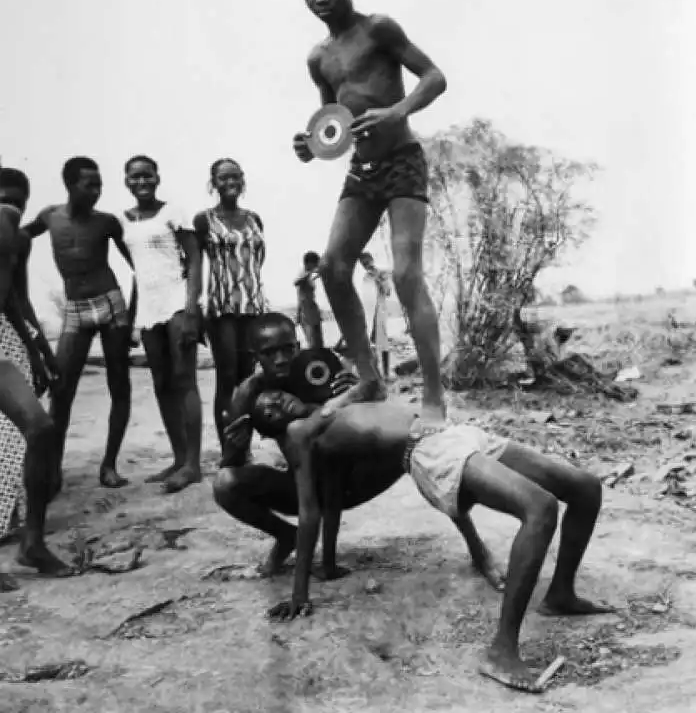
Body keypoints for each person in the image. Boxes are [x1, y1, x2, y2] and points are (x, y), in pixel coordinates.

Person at [267, 399, 613, 694]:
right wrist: (301, 592)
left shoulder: (327, 405)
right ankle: (502, 651)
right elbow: (311, 512)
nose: (274, 403)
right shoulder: (300, 434)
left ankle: (561, 595)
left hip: (457, 433)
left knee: (585, 487)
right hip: (429, 450)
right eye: (265, 410)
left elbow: (331, 500)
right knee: (540, 508)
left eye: (273, 394)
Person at [292, 0, 447, 426]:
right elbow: (330, 124)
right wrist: (310, 145)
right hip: (362, 170)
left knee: (405, 274)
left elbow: (435, 77)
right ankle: (368, 379)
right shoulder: (319, 58)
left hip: (402, 160)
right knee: (334, 270)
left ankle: (434, 396)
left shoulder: (378, 29)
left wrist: (397, 110)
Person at [213, 311, 403, 577]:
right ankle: (286, 537)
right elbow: (231, 463)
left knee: (332, 456)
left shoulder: (319, 368)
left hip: (352, 481)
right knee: (224, 484)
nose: (280, 360)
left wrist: (359, 393)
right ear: (255, 356)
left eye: (287, 349)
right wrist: (236, 445)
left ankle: (326, 559)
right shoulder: (248, 393)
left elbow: (378, 408)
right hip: (303, 486)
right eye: (269, 353)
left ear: (298, 347)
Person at [23, 157, 135, 489]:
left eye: (100, 184)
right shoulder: (50, 217)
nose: (97, 191)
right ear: (70, 185)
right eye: (90, 184)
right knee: (61, 388)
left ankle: (109, 465)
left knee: (120, 384)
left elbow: (139, 265)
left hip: (110, 303)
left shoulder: (107, 223)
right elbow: (16, 237)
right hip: (75, 308)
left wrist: (135, 313)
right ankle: (53, 469)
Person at [0, 167, 72, 589]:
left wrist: (39, 352)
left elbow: (14, 300)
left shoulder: (19, 240)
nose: (12, 207)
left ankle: (32, 544)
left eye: (18, 201)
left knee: (41, 429)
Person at [121, 155, 203, 493]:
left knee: (184, 379)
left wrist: (192, 308)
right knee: (161, 383)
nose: (141, 182)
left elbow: (195, 259)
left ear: (157, 177)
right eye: (135, 177)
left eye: (147, 176)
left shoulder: (174, 212)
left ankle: (194, 465)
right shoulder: (125, 221)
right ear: (126, 181)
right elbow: (139, 273)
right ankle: (179, 457)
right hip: (149, 308)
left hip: (176, 302)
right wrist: (131, 318)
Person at [194, 158, 266, 451]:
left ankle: (243, 446)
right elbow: (194, 266)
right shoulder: (204, 219)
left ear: (243, 179)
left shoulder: (254, 218)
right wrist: (195, 309)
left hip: (252, 307)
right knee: (226, 378)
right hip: (221, 307)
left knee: (247, 379)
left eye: (234, 176)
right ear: (213, 183)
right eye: (222, 178)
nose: (229, 183)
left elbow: (257, 260)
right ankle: (228, 449)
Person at [359, 251, 392, 381]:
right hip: (368, 311)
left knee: (383, 343)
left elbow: (388, 291)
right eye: (363, 264)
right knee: (370, 343)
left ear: (372, 260)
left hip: (380, 310)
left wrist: (378, 278)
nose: (366, 266)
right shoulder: (366, 277)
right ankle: (374, 372)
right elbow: (365, 295)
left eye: (367, 262)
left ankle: (386, 373)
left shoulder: (381, 273)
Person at [294, 251, 324, 348]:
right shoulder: (303, 273)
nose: (316, 265)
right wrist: (298, 315)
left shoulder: (309, 275)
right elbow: (296, 282)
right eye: (315, 263)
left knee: (319, 343)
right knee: (313, 344)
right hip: (306, 313)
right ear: (309, 263)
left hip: (313, 310)